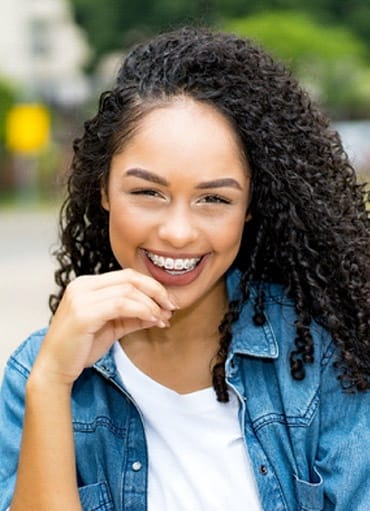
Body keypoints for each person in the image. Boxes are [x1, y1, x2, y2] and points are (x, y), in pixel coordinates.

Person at [0, 27, 369, 511]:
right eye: (148, 192)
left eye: (214, 198)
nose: (177, 232)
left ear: (250, 207)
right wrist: (51, 383)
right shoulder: (37, 371)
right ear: (104, 189)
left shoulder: (325, 358)